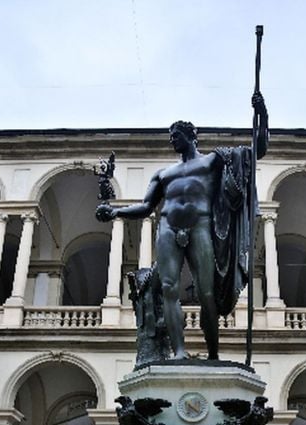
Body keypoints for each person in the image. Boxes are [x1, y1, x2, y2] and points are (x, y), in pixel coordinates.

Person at [96, 92, 269, 361]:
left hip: (200, 226)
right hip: (167, 228)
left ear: (191, 135)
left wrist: (263, 114)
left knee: (206, 292)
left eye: (175, 135)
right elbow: (145, 208)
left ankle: (213, 354)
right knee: (169, 288)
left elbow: (257, 151)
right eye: (170, 136)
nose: (171, 140)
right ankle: (178, 352)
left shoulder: (212, 161)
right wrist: (114, 212)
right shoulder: (163, 174)